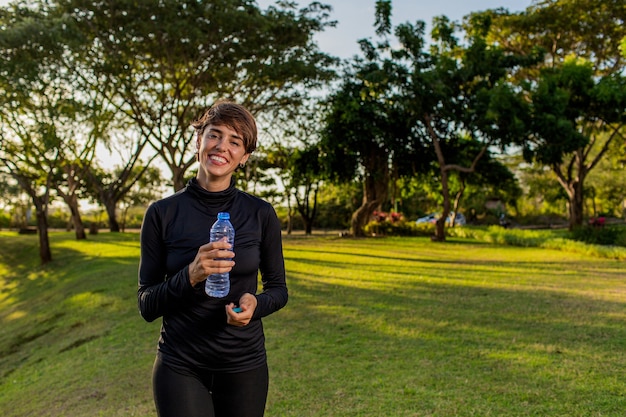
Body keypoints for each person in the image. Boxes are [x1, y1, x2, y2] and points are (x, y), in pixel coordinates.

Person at [138, 100, 288, 417]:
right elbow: (146, 304)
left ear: (244, 157)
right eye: (214, 135)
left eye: (235, 141)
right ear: (198, 141)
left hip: (244, 362)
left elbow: (278, 288)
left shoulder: (260, 214)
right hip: (180, 364)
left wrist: (255, 305)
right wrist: (189, 275)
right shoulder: (161, 213)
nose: (222, 146)